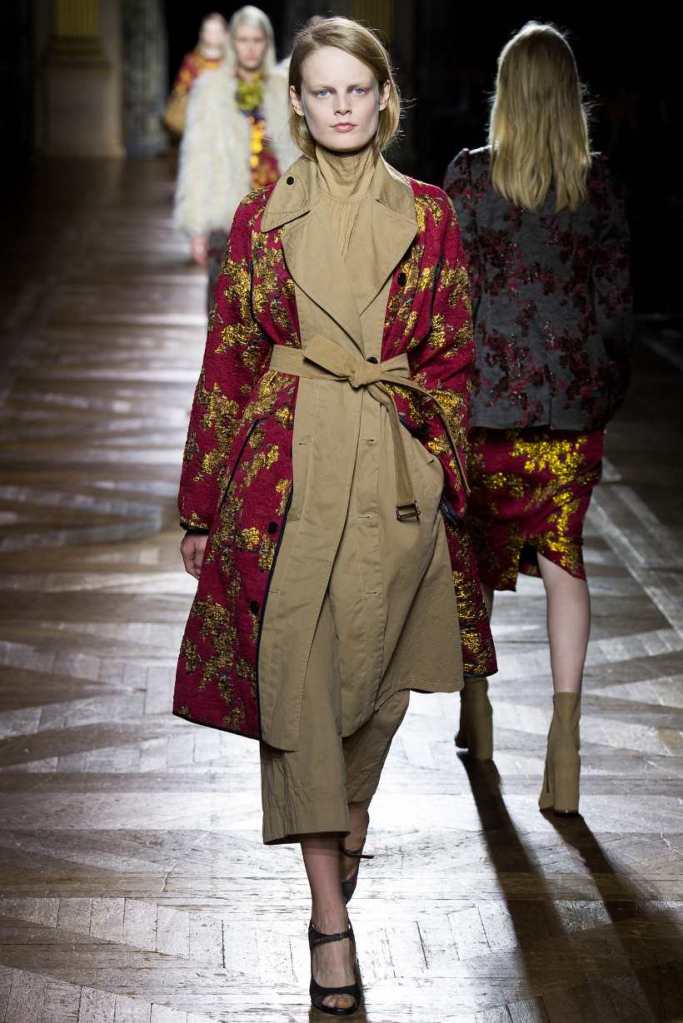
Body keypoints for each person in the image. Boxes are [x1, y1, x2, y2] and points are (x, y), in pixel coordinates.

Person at [174, 15, 495, 1014]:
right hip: (286, 476)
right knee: (299, 689)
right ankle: (329, 923)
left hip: (392, 469)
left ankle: (349, 812)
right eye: (323, 91)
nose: (342, 106)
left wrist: (436, 468)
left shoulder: (431, 214)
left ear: (383, 99)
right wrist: (200, 505)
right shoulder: (258, 221)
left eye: (357, 89)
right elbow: (229, 358)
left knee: (377, 689)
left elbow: (453, 352)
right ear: (299, 103)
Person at [445, 21, 633, 815]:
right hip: (568, 409)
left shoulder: (467, 178)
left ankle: (476, 708)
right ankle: (564, 742)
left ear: (505, 94)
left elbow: (450, 297)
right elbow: (615, 310)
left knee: (475, 558)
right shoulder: (597, 185)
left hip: (486, 408)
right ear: (567, 96)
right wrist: (601, 389)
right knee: (564, 561)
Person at [173, 5, 298, 307]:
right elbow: (197, 158)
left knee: (274, 308)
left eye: (257, 40)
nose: (250, 48)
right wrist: (196, 227)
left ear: (267, 43)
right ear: (232, 43)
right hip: (226, 213)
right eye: (243, 40)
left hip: (276, 212)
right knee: (224, 307)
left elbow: (296, 150)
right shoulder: (210, 90)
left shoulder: (282, 89)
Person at [163, 13, 229, 137]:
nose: (213, 35)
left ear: (225, 35)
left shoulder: (231, 62)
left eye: (217, 31)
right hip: (197, 122)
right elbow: (180, 90)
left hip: (226, 122)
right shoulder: (192, 61)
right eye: (209, 31)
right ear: (202, 33)